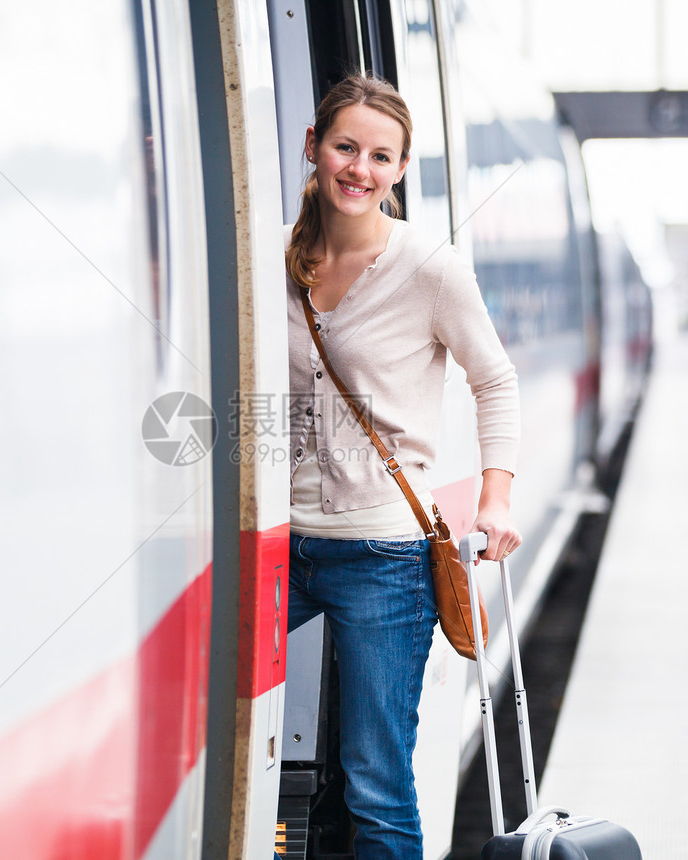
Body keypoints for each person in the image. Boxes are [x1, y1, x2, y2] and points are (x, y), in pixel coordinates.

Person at [285, 74, 522, 859]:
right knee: (204, 722)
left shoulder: (429, 267)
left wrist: (496, 497)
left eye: (380, 156)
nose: (359, 167)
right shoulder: (275, 256)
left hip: (383, 555)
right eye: (345, 146)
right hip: (280, 541)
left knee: (375, 784)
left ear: (400, 170)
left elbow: (494, 379)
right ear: (314, 148)